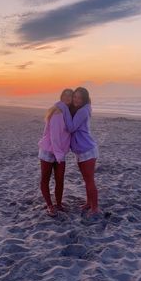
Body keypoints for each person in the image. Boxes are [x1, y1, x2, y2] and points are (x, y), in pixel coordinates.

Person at [56, 87, 99, 217]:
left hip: (87, 150)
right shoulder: (80, 110)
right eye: (75, 97)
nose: (76, 100)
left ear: (84, 99)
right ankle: (88, 203)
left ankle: (95, 208)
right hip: (81, 150)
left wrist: (63, 107)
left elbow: (71, 127)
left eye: (80, 98)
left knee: (90, 180)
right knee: (87, 179)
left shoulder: (83, 111)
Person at [38, 89, 73, 216]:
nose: (68, 97)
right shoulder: (58, 112)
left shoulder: (67, 112)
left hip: (60, 151)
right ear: (62, 96)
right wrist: (59, 154)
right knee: (45, 179)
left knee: (60, 180)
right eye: (66, 95)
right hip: (49, 150)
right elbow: (54, 136)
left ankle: (58, 203)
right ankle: (50, 205)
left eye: (71, 95)